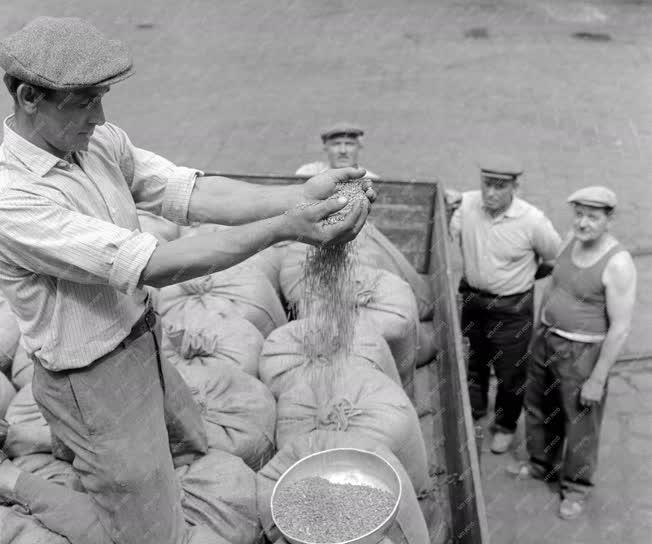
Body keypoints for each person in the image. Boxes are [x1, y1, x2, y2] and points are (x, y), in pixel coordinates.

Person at [0, 17, 373, 544]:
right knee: (139, 535)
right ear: (28, 96)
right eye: (84, 102)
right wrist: (285, 230)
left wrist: (300, 197)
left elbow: (187, 193)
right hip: (90, 380)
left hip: (145, 340)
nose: (101, 116)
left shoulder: (96, 140)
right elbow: (155, 263)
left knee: (187, 446)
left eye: (102, 97)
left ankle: (106, 473)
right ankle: (14, 480)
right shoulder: (12, 199)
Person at [512, 186, 636, 520]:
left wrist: (597, 377)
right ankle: (541, 463)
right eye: (579, 214)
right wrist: (540, 328)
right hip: (548, 340)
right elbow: (554, 284)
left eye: (592, 217)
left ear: (609, 220)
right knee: (539, 406)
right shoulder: (571, 239)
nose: (583, 223)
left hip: (583, 351)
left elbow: (621, 327)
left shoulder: (619, 263)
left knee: (580, 422)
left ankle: (576, 489)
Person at [449, 154, 561, 454]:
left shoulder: (533, 221)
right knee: (473, 361)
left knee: (511, 373)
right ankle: (474, 410)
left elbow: (553, 258)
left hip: (511, 310)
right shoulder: (467, 204)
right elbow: (447, 209)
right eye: (487, 184)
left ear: (515, 186)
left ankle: (505, 425)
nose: (491, 193)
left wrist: (517, 280)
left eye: (500, 186)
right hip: (472, 300)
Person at [295, 122, 379, 179]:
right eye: (336, 144)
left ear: (359, 146)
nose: (343, 151)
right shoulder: (308, 174)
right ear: (325, 146)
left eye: (349, 144)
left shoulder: (370, 179)